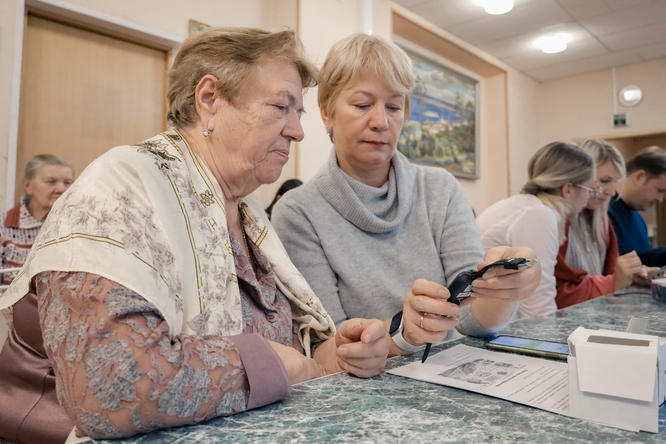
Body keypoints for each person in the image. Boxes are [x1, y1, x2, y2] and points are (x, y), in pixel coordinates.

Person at [0, 28, 390, 444]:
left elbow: (281, 350)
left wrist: (329, 356)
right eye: (281, 106)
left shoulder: (245, 211)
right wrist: (271, 364)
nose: (297, 131)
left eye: (300, 114)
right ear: (209, 100)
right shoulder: (119, 187)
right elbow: (110, 389)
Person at [272, 33, 541, 358]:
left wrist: (504, 289)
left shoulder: (441, 188)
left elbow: (472, 318)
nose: (381, 122)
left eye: (395, 106)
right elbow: (330, 346)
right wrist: (402, 333)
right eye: (362, 105)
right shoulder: (297, 212)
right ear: (326, 113)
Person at [476, 142, 596, 318]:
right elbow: (538, 309)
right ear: (568, 189)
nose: (590, 197)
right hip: (480, 325)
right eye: (591, 189)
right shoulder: (538, 214)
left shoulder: (525, 206)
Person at [554, 139, 648, 309]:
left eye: (615, 182)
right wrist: (615, 281)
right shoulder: (555, 222)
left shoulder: (602, 221)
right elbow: (556, 295)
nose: (612, 192)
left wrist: (632, 276)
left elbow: (611, 276)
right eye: (604, 181)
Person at [0, 154, 74, 286]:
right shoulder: (3, 227)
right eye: (51, 182)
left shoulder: (77, 228)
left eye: (67, 183)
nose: (62, 189)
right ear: (27, 185)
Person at [608, 146, 666, 267]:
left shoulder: (638, 218)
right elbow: (616, 261)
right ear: (640, 176)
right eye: (659, 190)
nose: (660, 199)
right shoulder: (605, 212)